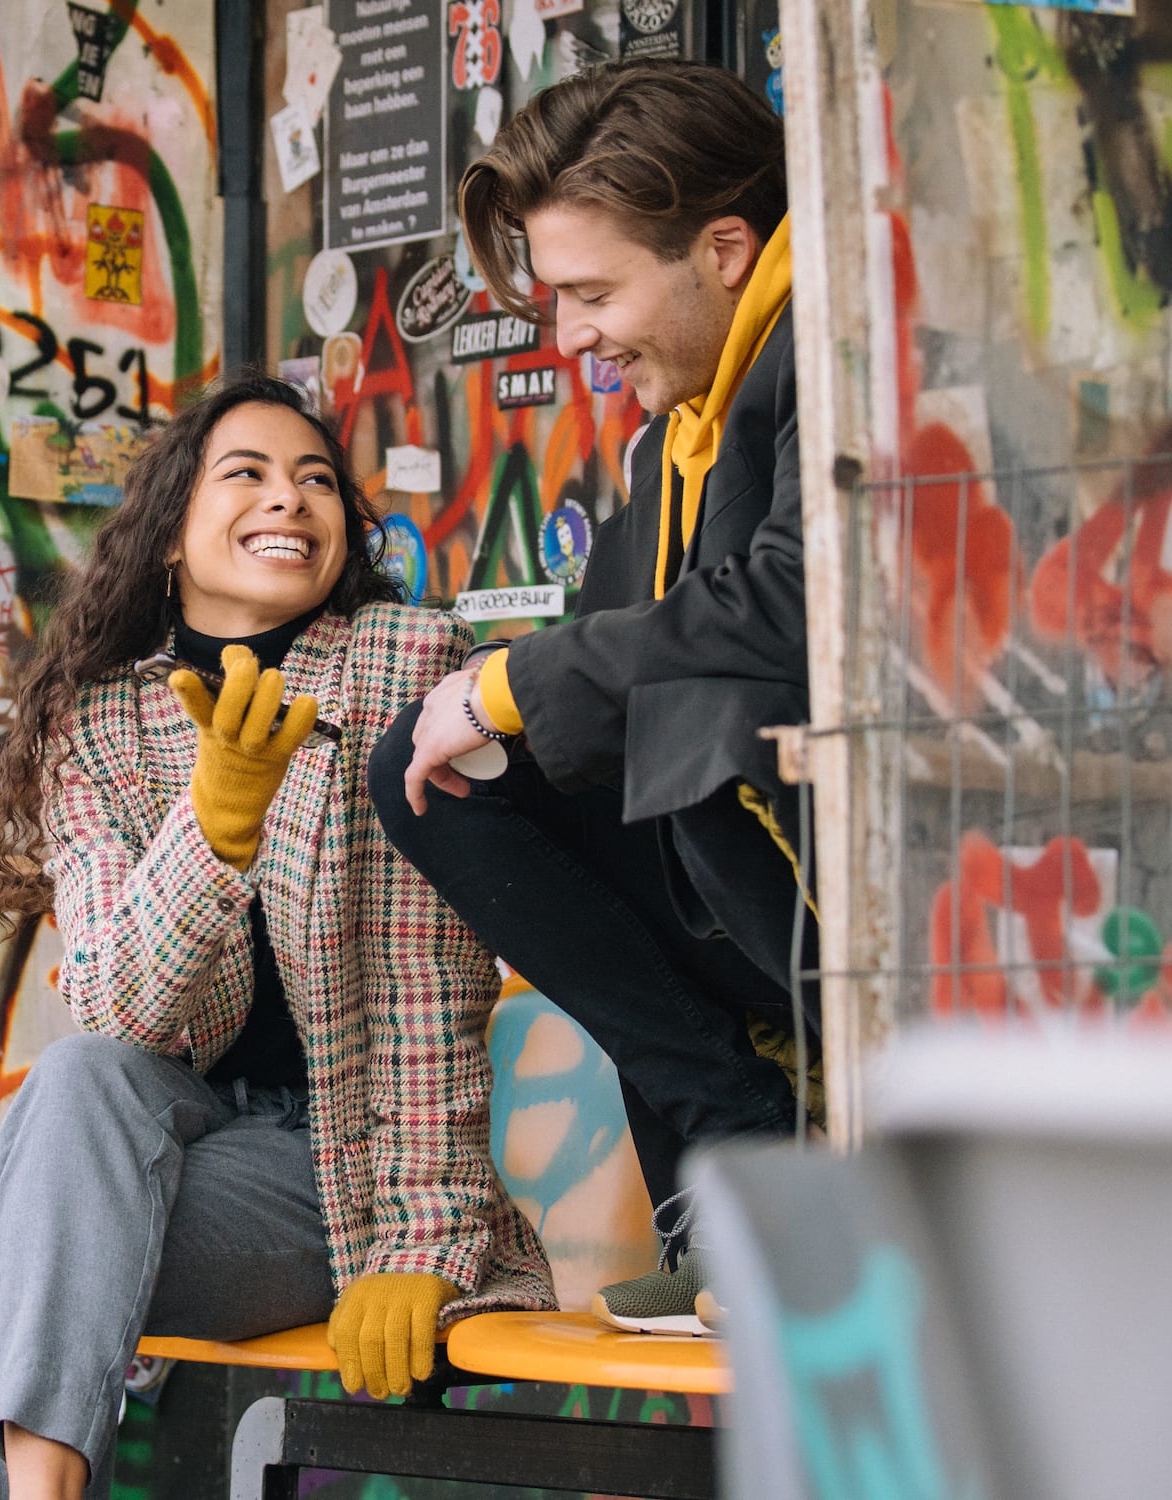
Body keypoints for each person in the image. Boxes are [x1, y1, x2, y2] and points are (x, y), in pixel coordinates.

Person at [0, 375, 554, 1500]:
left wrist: (421, 1246)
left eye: (316, 480)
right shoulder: (91, 722)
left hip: (328, 1169)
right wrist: (215, 819)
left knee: (21, 1235)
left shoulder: (403, 666)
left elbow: (427, 984)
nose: (288, 499)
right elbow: (114, 1009)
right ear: (171, 536)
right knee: (79, 1080)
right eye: (246, 474)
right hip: (158, 1138)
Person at [369, 58, 814, 1336]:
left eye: (590, 292)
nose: (569, 338)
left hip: (864, 901)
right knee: (435, 771)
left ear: (724, 249)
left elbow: (787, 605)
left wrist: (513, 679)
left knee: (595, 709)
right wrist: (491, 703)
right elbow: (610, 666)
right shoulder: (672, 437)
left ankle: (752, 1154)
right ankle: (727, 1151)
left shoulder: (829, 362)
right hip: (738, 894)